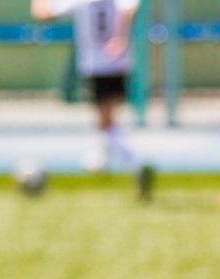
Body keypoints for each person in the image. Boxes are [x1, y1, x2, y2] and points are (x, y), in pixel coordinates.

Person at [30, 0, 155, 194]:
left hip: (96, 64)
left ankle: (134, 163)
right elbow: (130, 8)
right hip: (119, 62)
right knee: (108, 121)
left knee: (106, 123)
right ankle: (105, 157)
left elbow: (43, 13)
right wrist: (121, 37)